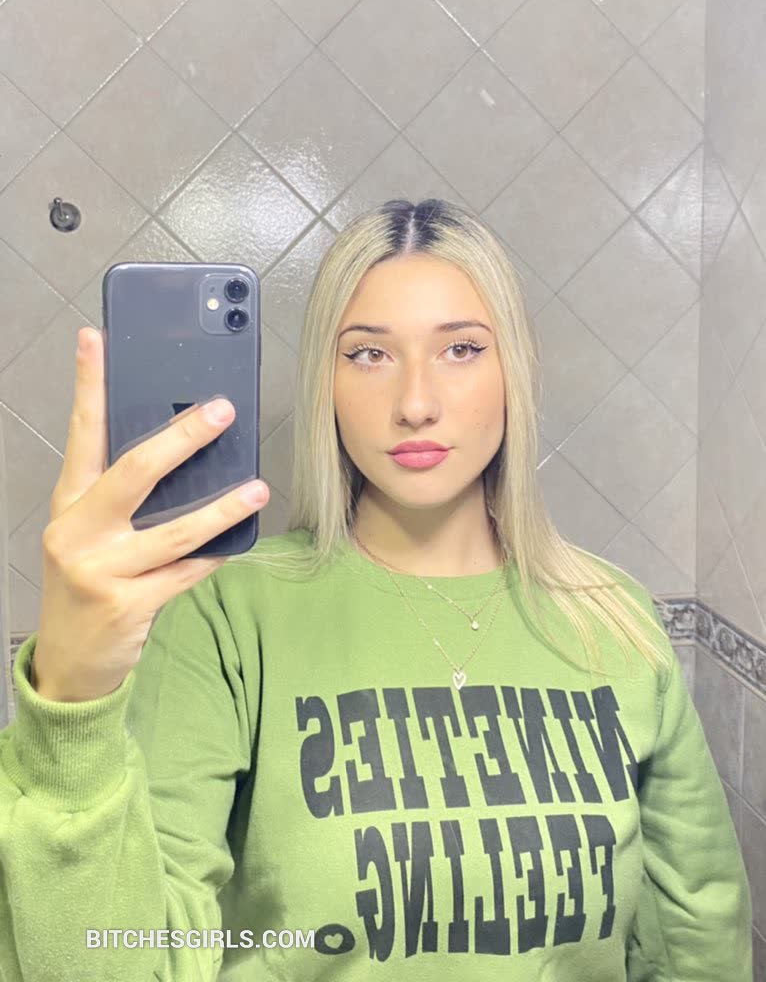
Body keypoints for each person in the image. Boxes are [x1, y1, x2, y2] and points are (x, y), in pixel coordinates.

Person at [0, 198, 753, 981]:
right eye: (368, 354)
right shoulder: (227, 614)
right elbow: (120, 960)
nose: (415, 404)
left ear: (515, 372)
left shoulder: (614, 619)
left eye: (461, 349)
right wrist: (73, 704)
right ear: (324, 382)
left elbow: (699, 940)